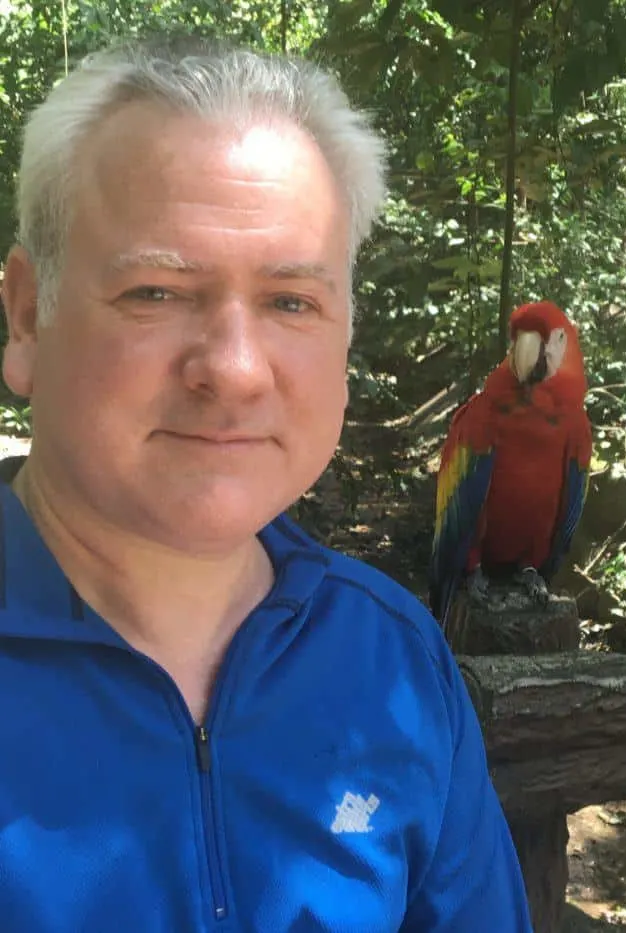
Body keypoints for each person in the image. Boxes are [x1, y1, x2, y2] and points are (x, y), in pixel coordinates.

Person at [0, 36, 533, 932]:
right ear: (26, 317)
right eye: (157, 293)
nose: (237, 370)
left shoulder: (394, 662)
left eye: (292, 302)